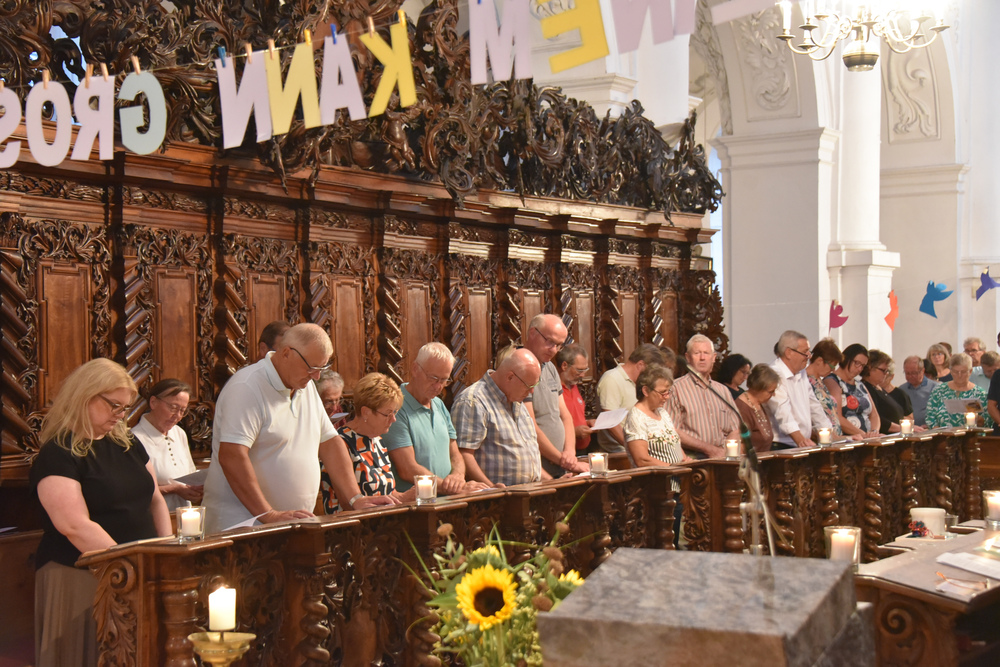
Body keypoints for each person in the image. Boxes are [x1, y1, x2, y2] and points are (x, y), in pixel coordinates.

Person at [31, 359, 172, 667]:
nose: (120, 416)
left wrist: (167, 551)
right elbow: (74, 525)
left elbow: (155, 499)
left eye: (125, 408)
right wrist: (128, 564)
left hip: (137, 571)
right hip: (80, 575)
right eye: (114, 406)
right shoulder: (59, 453)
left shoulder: (127, 442)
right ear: (85, 396)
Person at [202, 323, 396, 533]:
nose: (317, 377)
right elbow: (232, 456)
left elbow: (330, 443)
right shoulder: (247, 387)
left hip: (291, 524)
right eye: (312, 368)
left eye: (322, 369)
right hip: (242, 525)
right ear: (286, 353)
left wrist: (355, 498)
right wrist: (269, 514)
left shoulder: (305, 386)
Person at [383, 343, 487, 495]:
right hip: (416, 506)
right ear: (415, 369)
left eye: (444, 380)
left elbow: (455, 454)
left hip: (445, 500)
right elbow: (407, 469)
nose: (438, 386)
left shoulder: (438, 403)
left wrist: (458, 475)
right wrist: (453, 487)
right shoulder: (396, 407)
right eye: (433, 378)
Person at [321, 373, 417, 512]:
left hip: (382, 524)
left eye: (395, 412)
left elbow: (389, 493)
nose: (393, 419)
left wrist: (409, 495)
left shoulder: (377, 441)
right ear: (366, 412)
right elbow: (347, 503)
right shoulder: (340, 442)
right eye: (387, 414)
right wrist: (402, 499)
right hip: (349, 528)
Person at [453, 348, 544, 487]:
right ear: (510, 377)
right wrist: (491, 490)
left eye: (534, 385)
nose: (531, 391)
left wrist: (552, 481)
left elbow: (528, 454)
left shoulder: (516, 400)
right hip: (496, 501)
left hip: (530, 494)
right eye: (528, 385)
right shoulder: (473, 401)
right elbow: (463, 454)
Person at [522, 314, 589, 476]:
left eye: (558, 345)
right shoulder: (521, 368)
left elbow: (565, 415)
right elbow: (530, 427)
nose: (554, 350)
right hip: (538, 468)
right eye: (550, 341)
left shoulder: (550, 368)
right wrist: (563, 459)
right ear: (533, 333)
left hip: (561, 464)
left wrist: (570, 453)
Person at [664, 334, 740, 458]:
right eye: (697, 353)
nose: (702, 358)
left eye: (706, 353)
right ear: (688, 358)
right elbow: (672, 430)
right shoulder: (675, 388)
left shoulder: (723, 391)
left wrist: (727, 453)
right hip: (693, 457)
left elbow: (735, 428)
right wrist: (710, 450)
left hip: (723, 457)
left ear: (714, 357)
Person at [131, 378, 202, 511]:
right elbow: (132, 491)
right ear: (153, 402)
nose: (178, 416)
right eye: (173, 408)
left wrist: (195, 489)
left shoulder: (179, 433)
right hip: (152, 517)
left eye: (183, 410)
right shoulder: (134, 439)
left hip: (183, 515)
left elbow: (190, 473)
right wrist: (173, 489)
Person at [596, 343, 666, 452]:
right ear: (640, 365)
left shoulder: (641, 383)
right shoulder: (612, 379)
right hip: (620, 451)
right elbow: (610, 423)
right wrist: (633, 448)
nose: (652, 377)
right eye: (651, 372)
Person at [768, 330, 832, 448]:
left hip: (800, 443)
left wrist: (827, 434)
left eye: (809, 351)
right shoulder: (774, 373)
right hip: (782, 444)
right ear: (788, 352)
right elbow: (782, 412)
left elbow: (814, 406)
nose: (809, 356)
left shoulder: (801, 372)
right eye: (804, 352)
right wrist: (801, 441)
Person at [926, 353, 994, 429]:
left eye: (963, 372)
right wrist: (937, 431)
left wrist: (981, 420)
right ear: (951, 371)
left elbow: (989, 420)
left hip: (972, 437)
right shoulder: (939, 391)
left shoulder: (980, 393)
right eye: (955, 372)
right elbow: (930, 415)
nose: (959, 375)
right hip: (943, 437)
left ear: (970, 371)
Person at [825, 343, 879, 438]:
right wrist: (863, 435)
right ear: (846, 359)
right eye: (857, 363)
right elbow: (838, 417)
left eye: (863, 366)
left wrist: (874, 432)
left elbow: (874, 415)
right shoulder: (832, 381)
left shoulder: (860, 384)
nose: (859, 369)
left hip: (867, 437)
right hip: (849, 437)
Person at [555, 344, 594, 453]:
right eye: (579, 370)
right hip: (564, 452)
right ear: (564, 366)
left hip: (583, 450)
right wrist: (573, 432)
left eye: (585, 369)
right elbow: (548, 424)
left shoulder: (573, 385)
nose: (583, 375)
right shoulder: (553, 390)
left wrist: (587, 422)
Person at [736, 364, 780, 453]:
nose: (773, 395)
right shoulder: (742, 408)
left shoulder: (758, 404)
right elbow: (741, 445)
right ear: (758, 388)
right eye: (771, 392)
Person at [861, 350, 904, 434]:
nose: (886, 374)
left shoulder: (878, 387)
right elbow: (877, 418)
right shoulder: (866, 388)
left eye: (887, 371)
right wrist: (901, 428)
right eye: (883, 370)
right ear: (870, 368)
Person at [900, 355, 938, 426]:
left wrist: (930, 425)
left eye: (914, 373)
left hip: (929, 429)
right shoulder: (902, 390)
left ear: (922, 371)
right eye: (907, 373)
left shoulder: (935, 387)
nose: (910, 376)